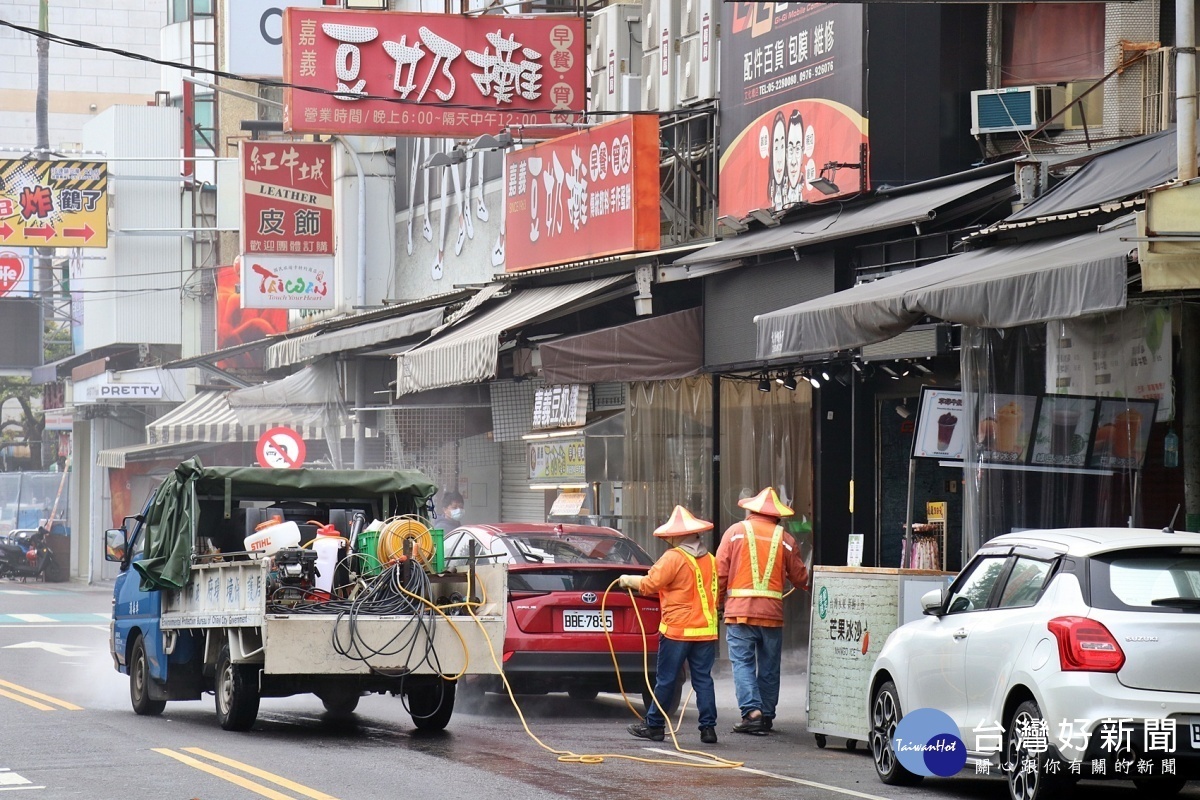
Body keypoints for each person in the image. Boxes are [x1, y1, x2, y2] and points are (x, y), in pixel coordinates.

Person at [618, 506, 720, 745]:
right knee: (703, 680)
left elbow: (650, 584)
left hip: (677, 631)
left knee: (666, 679)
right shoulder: (711, 560)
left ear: (678, 536)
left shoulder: (674, 557)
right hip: (705, 632)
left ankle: (654, 726)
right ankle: (708, 730)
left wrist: (628, 580)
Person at [717, 487, 809, 735]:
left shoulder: (734, 533)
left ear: (751, 511)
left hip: (740, 613)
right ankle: (766, 714)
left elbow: (719, 574)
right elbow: (801, 577)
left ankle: (752, 713)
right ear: (777, 516)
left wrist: (717, 603)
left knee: (743, 663)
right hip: (772, 615)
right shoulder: (786, 540)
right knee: (769, 666)